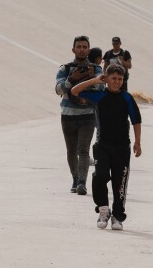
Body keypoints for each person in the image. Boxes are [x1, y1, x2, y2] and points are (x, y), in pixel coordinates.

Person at [71, 64, 142, 230]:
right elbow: (74, 91)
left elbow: (136, 120)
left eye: (120, 79)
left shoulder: (127, 98)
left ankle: (117, 216)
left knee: (120, 183)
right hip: (102, 145)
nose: (117, 82)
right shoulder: (99, 96)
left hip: (122, 147)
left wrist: (138, 142)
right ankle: (103, 210)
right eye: (113, 78)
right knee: (100, 176)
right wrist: (95, 80)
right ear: (106, 78)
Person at [57, 35, 103, 194]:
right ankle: (75, 178)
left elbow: (101, 89)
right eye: (79, 47)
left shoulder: (96, 70)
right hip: (68, 115)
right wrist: (71, 79)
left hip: (87, 115)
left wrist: (90, 78)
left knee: (83, 150)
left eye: (85, 47)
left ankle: (82, 182)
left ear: (88, 50)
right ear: (73, 49)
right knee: (71, 151)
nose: (82, 50)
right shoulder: (65, 69)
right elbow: (58, 89)